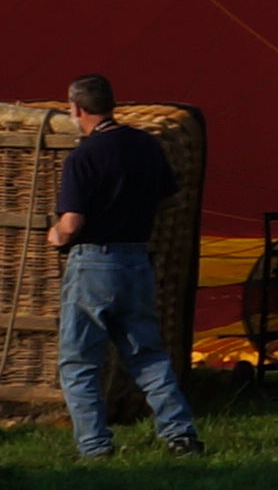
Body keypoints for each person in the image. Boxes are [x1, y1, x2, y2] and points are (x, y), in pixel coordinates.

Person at [48, 73, 204, 462]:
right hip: (136, 261)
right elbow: (173, 198)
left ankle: (95, 446)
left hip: (93, 265)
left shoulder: (82, 157)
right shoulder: (145, 145)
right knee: (148, 355)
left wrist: (54, 235)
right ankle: (181, 436)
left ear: (76, 108)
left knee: (80, 362)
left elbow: (71, 223)